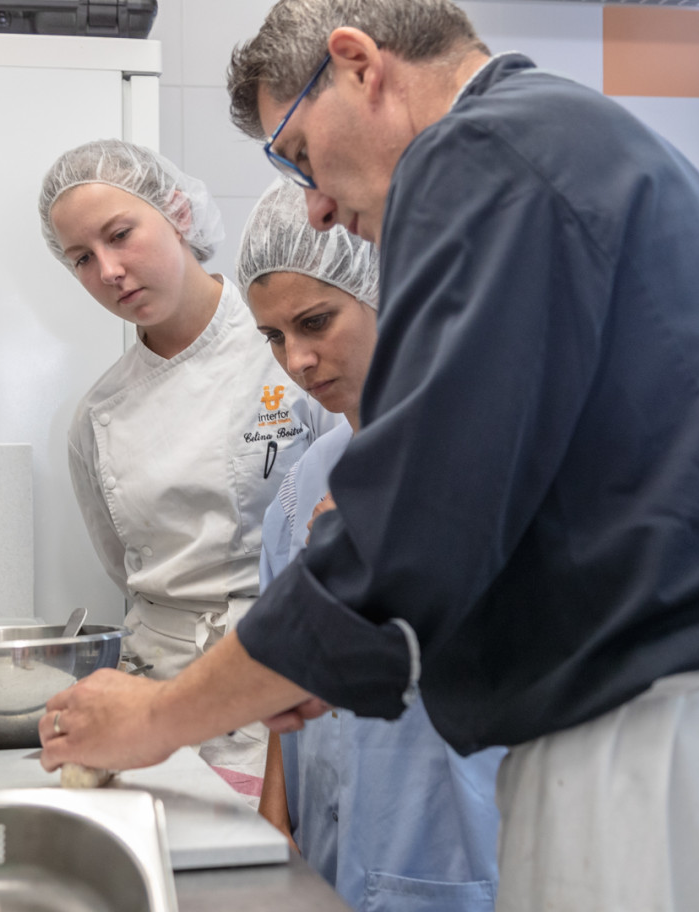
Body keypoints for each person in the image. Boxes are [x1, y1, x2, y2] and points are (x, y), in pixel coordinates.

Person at [39, 2, 699, 909]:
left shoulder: (477, 155)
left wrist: (160, 716)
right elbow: (507, 506)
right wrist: (314, 666)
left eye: (299, 154)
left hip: (653, 746)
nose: (315, 200)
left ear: (359, 65)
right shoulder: (563, 137)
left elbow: (413, 531)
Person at [37, 139, 339, 799]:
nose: (109, 270)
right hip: (155, 697)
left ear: (177, 212)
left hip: (287, 685)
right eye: (82, 258)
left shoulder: (298, 353)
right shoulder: (97, 416)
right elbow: (124, 566)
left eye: (120, 235)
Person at [240, 177, 502, 911]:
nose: (296, 361)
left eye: (316, 322)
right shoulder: (302, 486)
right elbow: (279, 671)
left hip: (450, 849)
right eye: (274, 337)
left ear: (395, 293)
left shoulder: (476, 458)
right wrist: (274, 818)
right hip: (330, 847)